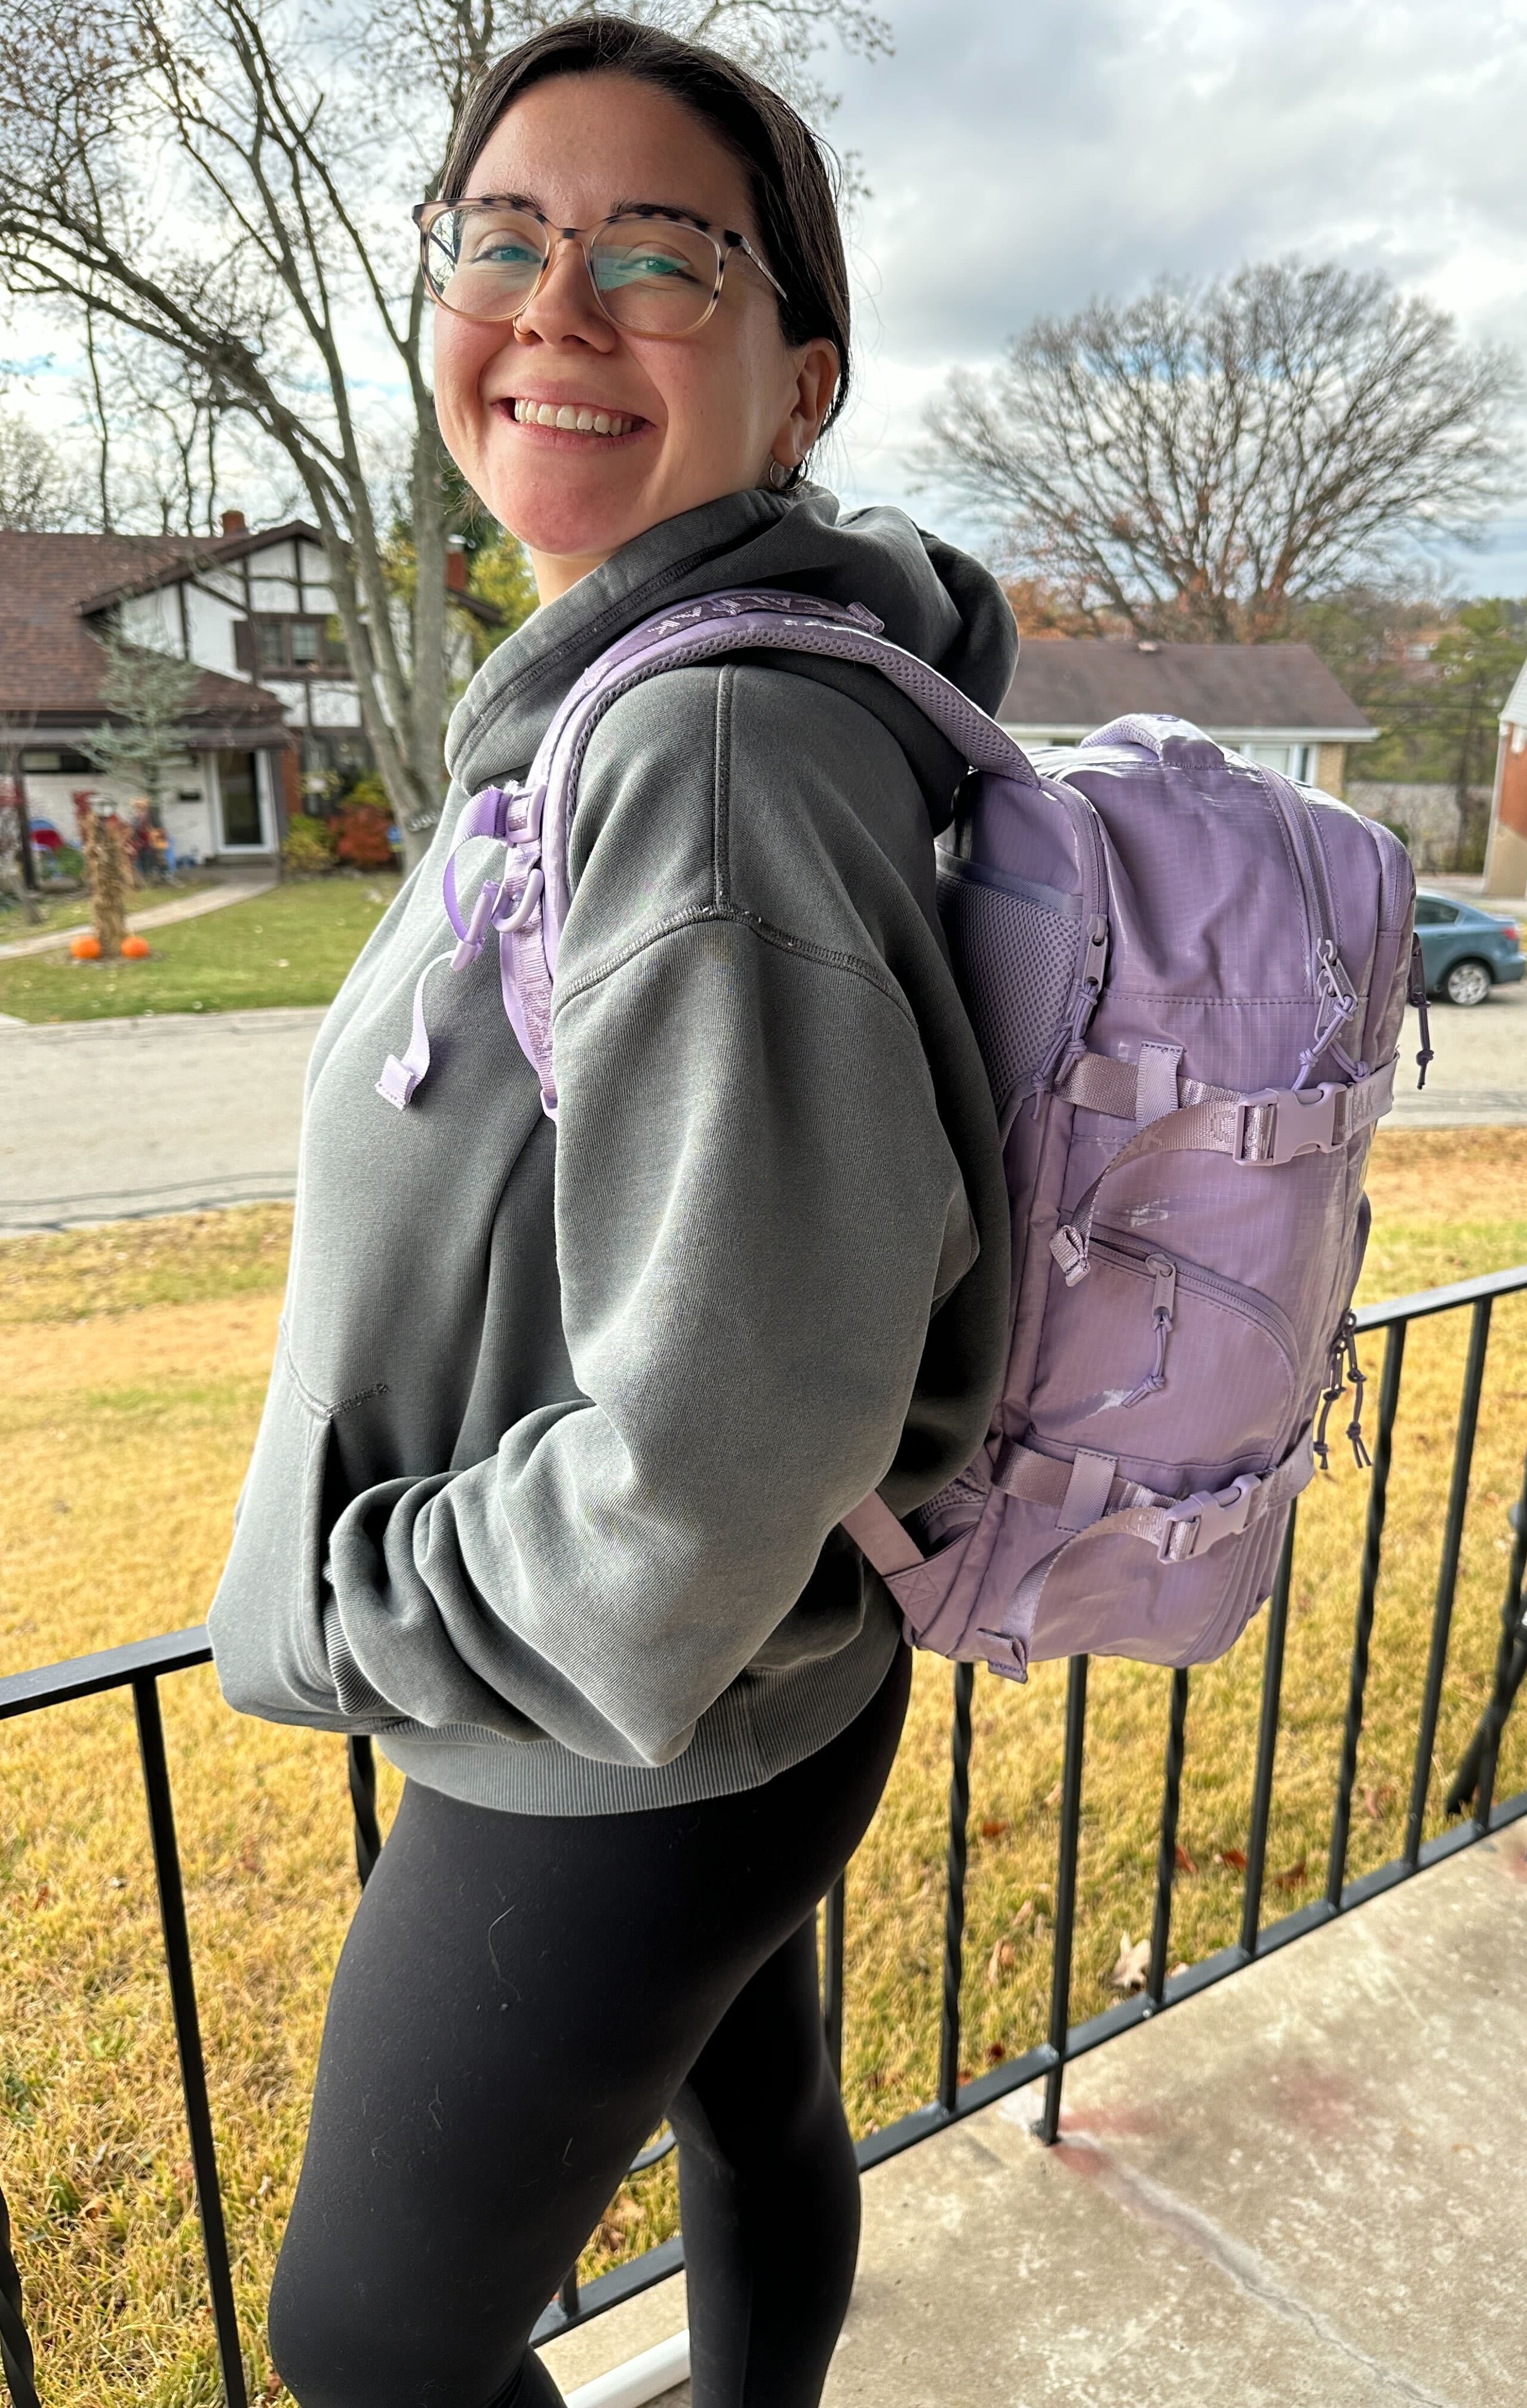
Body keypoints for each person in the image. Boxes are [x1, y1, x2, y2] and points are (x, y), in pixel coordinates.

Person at [204, 14, 1014, 2407]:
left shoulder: (711, 748)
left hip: (618, 1734)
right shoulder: (668, 693)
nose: (558, 306)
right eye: (503, 240)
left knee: (367, 2348)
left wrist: (366, 1598)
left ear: (800, 380)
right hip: (764, 1690)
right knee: (755, 2115)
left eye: (662, 259)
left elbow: (723, 1448)